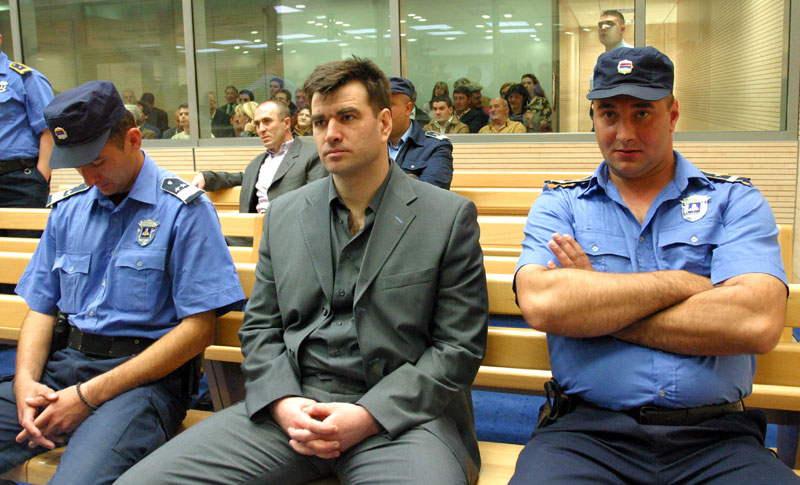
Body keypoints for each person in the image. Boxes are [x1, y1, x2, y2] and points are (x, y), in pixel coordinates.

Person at [116, 55, 488, 485]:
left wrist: (368, 415)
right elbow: (260, 328)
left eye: (348, 117)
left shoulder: (445, 217)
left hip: (401, 418)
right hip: (293, 409)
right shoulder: (285, 215)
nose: (331, 133)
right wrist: (282, 402)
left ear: (385, 123)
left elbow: (457, 348)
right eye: (320, 121)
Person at [510, 47, 800, 484]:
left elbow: (754, 322)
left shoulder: (734, 201)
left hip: (716, 438)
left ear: (673, 114)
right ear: (594, 118)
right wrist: (685, 283)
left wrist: (596, 306)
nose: (624, 133)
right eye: (609, 115)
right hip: (586, 435)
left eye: (642, 114)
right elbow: (544, 304)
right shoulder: (562, 204)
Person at [0, 80, 245, 484]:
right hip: (63, 371)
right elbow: (41, 309)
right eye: (77, 165)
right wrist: (25, 384)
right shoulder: (69, 209)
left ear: (133, 139)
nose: (88, 177)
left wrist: (87, 397)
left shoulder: (183, 210)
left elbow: (198, 331)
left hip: (141, 383)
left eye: (97, 162)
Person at [192, 100, 325, 214]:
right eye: (257, 124)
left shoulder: (312, 155)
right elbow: (241, 178)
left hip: (289, 229)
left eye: (267, 121)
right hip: (252, 229)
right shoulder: (257, 163)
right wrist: (206, 177)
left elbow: (315, 204)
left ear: (286, 123)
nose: (261, 129)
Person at [388, 77, 454, 189]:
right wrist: (409, 180)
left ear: (408, 108)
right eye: (377, 105)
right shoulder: (370, 144)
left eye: (389, 105)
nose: (382, 111)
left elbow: (432, 191)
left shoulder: (435, 147)